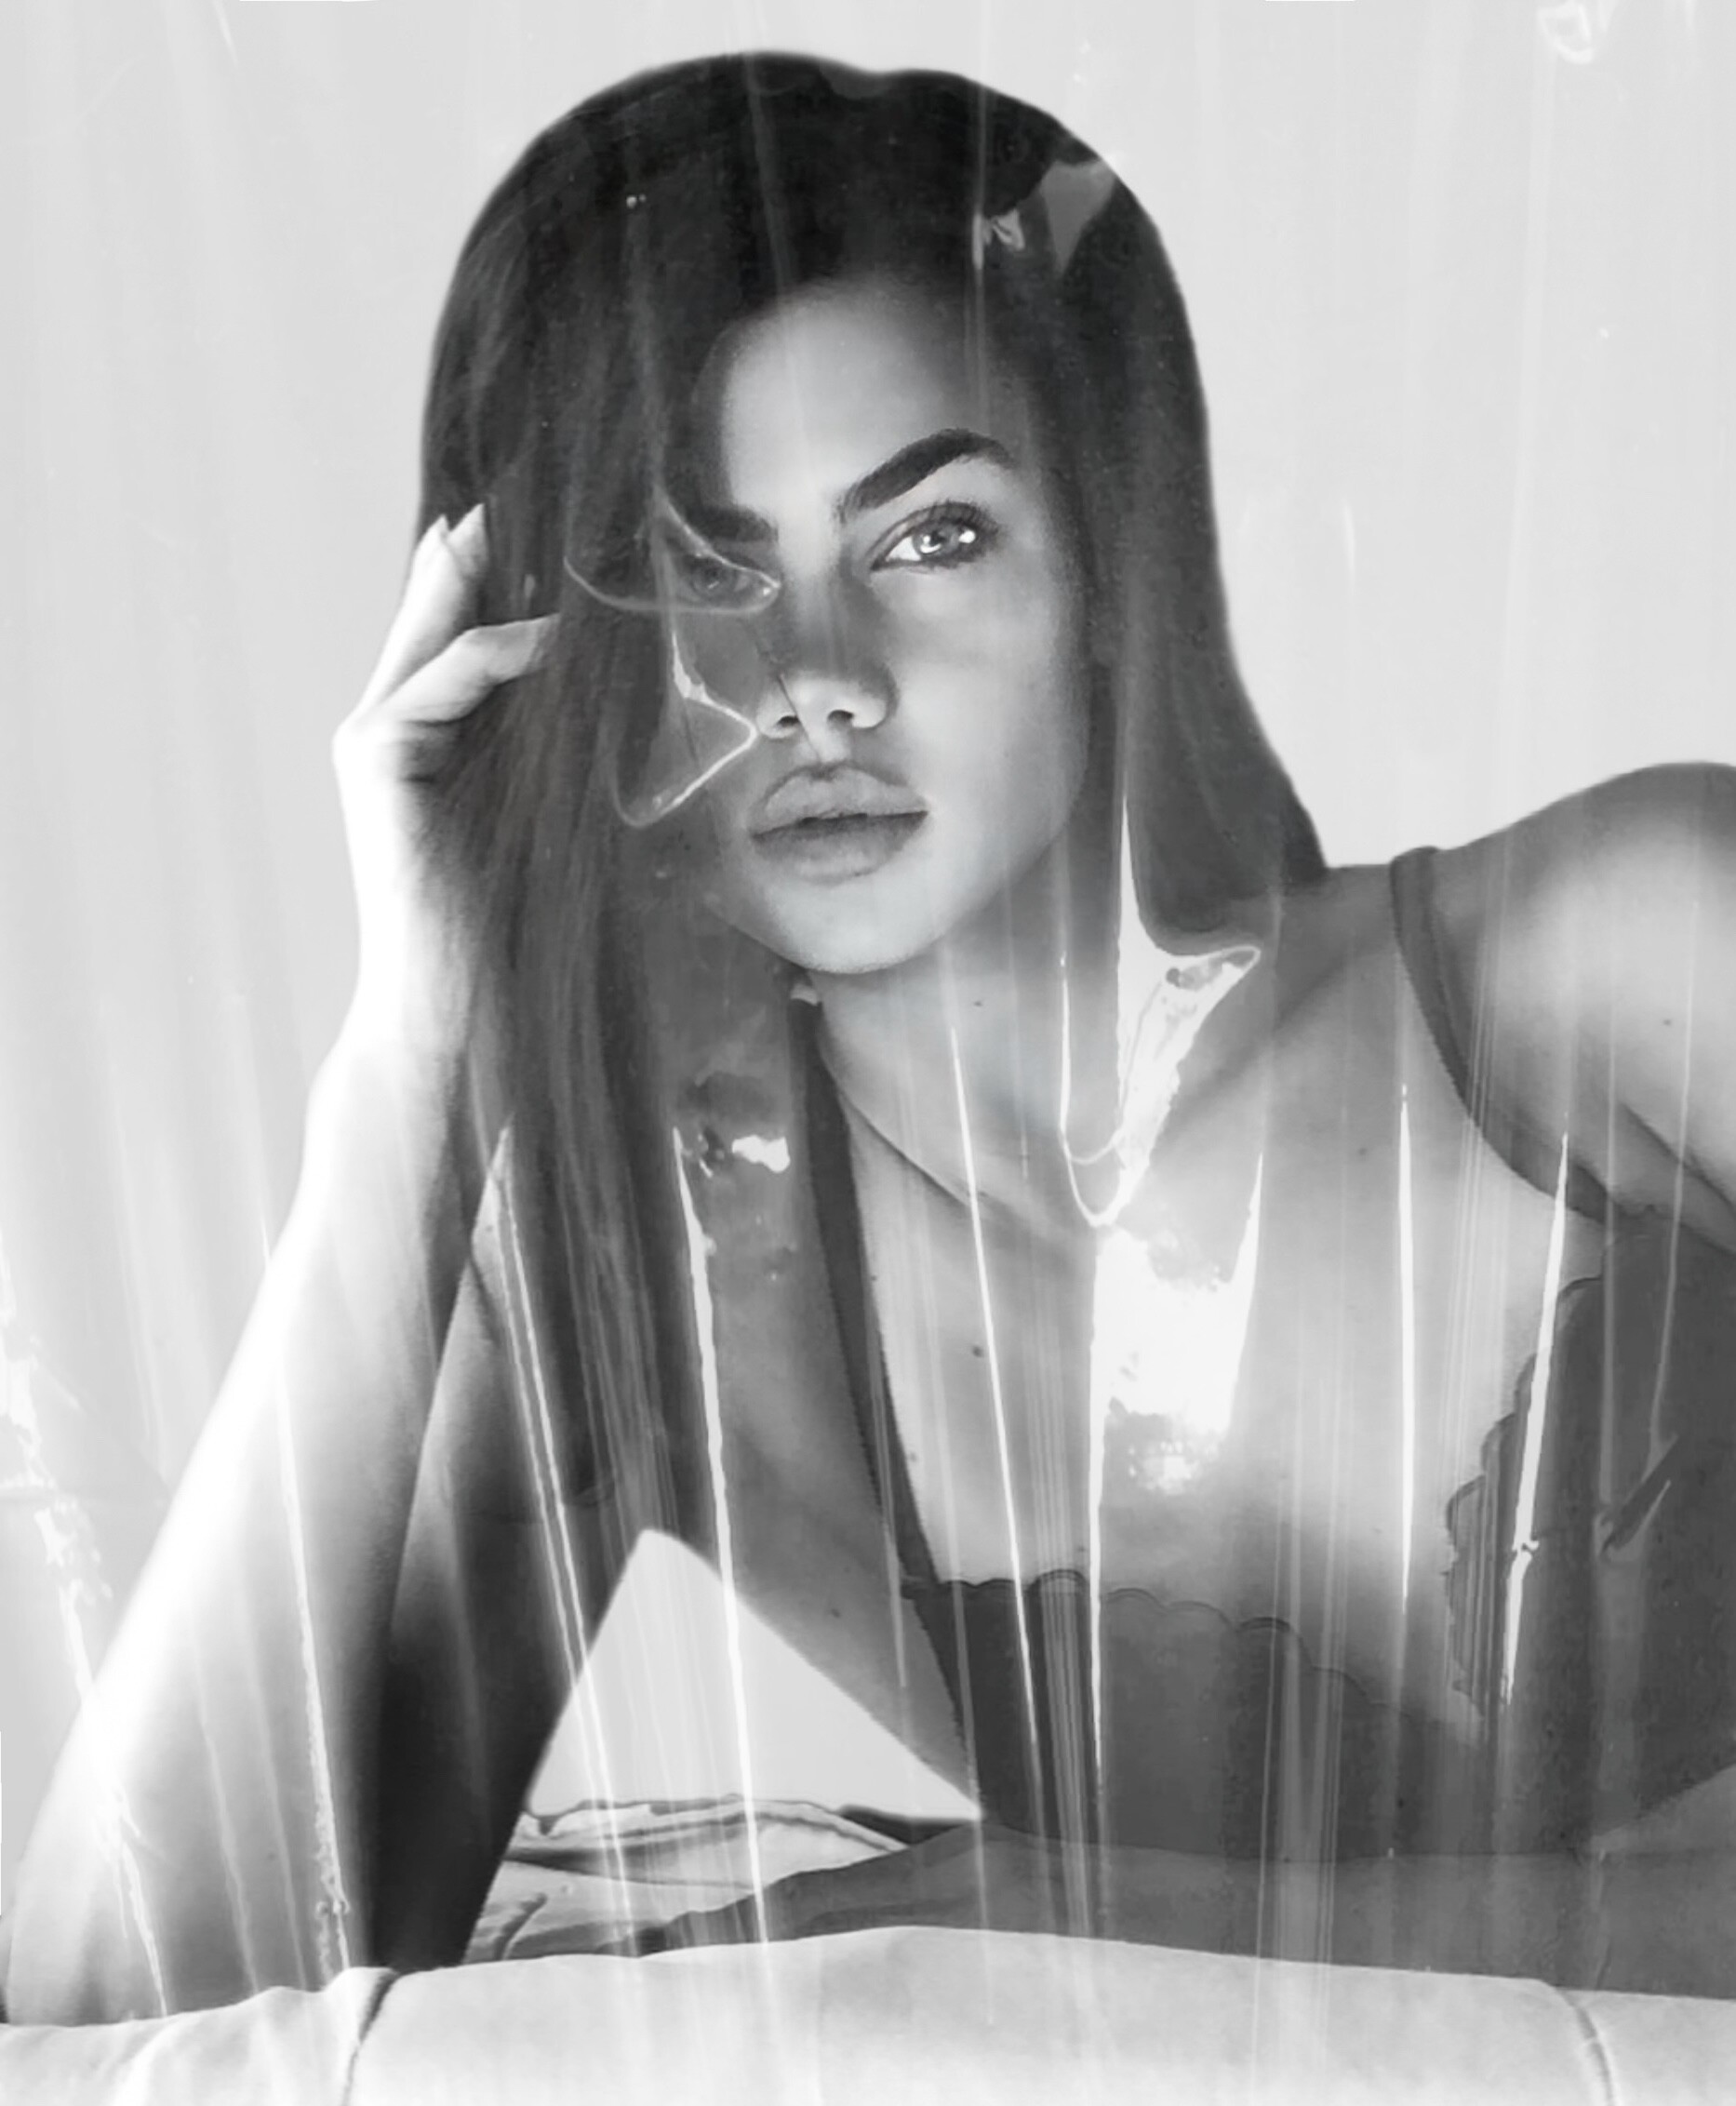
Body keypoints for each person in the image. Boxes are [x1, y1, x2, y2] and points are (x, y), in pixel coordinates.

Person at [9, 53, 1736, 2023]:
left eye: (931, 537)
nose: (812, 683)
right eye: (696, 567)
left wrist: (1051, 1915)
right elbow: (120, 2013)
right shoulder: (670, 1268)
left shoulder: (1626, 955)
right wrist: (409, 1067)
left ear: (1113, 566)